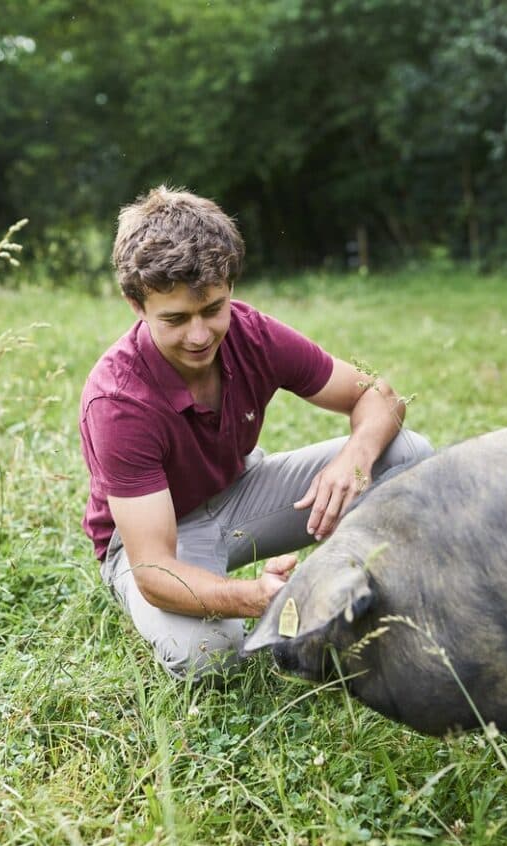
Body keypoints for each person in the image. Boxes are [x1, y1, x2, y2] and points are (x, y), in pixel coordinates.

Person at [79, 186, 432, 682]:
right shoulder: (118, 401)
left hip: (240, 493)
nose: (199, 335)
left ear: (229, 286)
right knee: (209, 654)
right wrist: (252, 597)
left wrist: (354, 459)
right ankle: (236, 615)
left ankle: (374, 598)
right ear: (136, 304)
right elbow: (155, 571)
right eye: (176, 319)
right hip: (155, 543)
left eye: (212, 309)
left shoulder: (252, 333)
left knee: (404, 454)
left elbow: (379, 395)